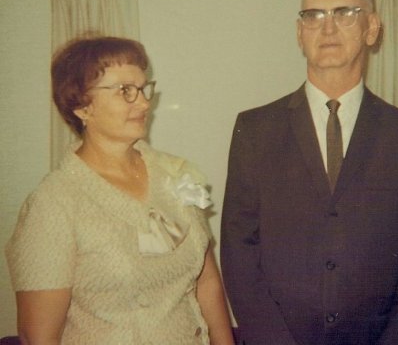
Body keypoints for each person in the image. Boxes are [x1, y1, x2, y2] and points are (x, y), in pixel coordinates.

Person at [221, 0, 398, 345]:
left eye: (344, 13)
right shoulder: (255, 130)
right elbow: (239, 254)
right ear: (300, 34)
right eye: (313, 16)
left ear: (372, 28)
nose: (327, 28)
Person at [6, 36, 235, 345]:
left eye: (142, 89)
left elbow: (206, 280)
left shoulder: (173, 174)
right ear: (81, 106)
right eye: (125, 91)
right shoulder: (54, 204)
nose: (143, 103)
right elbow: (39, 336)